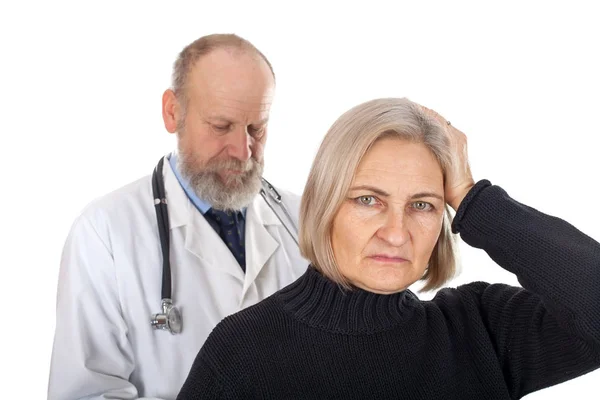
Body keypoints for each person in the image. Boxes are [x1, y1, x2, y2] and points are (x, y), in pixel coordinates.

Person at [176, 97, 600, 399]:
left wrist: (474, 198)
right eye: (368, 200)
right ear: (325, 204)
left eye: (422, 205)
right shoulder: (244, 352)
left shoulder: (482, 330)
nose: (396, 233)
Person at [47, 34, 308, 400]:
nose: (242, 150)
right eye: (221, 126)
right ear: (173, 112)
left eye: (256, 128)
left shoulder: (304, 221)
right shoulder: (105, 233)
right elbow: (86, 393)